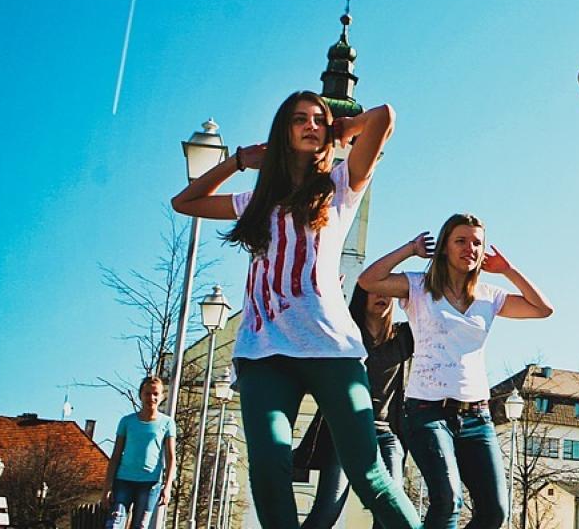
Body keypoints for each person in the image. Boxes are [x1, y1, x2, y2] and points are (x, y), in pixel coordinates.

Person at [171, 91, 420, 529]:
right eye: (299, 119)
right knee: (268, 469)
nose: (310, 125)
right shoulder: (254, 202)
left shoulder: (342, 186)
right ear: (282, 131)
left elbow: (384, 117)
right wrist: (239, 161)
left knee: (368, 474)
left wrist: (340, 130)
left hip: (331, 351)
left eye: (317, 120)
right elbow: (185, 203)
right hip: (263, 354)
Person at [358, 215, 554, 529]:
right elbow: (369, 281)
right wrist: (410, 249)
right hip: (427, 412)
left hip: (478, 417)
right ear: (445, 247)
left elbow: (542, 309)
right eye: (461, 241)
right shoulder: (418, 287)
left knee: (494, 513)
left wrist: (508, 270)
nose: (470, 248)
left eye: (477, 242)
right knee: (448, 500)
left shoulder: (489, 296)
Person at [294, 287, 415, 529]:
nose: (382, 295)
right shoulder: (346, 334)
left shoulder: (404, 337)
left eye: (386, 291)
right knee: (327, 510)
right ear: (362, 298)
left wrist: (414, 250)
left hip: (386, 435)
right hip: (347, 432)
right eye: (374, 291)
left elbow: (434, 308)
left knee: (391, 514)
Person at [103, 376, 176, 529]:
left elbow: (170, 458)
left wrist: (167, 487)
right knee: (114, 523)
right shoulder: (127, 422)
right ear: (141, 395)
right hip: (124, 480)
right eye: (147, 393)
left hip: (150, 483)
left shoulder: (167, 423)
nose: (151, 397)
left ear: (162, 396)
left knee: (141, 525)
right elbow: (116, 455)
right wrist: (108, 486)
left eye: (156, 394)